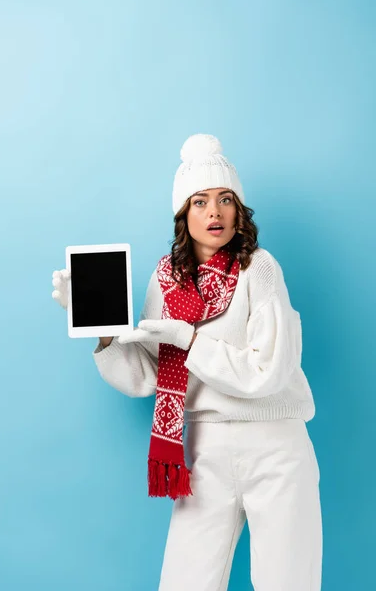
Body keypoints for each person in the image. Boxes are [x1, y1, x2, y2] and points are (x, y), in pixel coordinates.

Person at [52, 134, 323, 591]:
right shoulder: (165, 279)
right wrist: (99, 329)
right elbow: (148, 376)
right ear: (184, 214)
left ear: (239, 210)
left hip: (275, 447)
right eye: (200, 202)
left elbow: (268, 371)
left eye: (224, 200)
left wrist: (188, 339)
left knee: (288, 582)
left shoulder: (260, 269)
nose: (214, 212)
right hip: (203, 450)